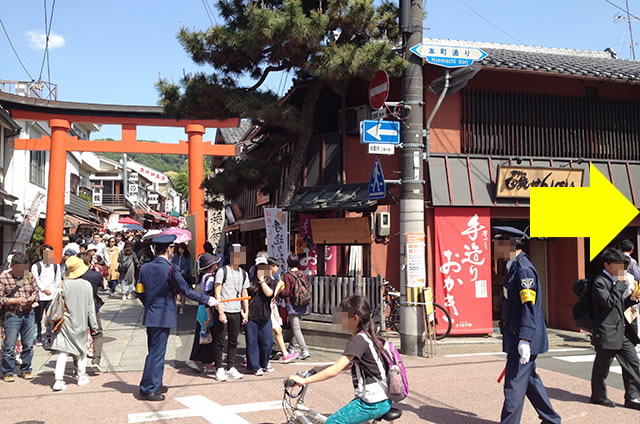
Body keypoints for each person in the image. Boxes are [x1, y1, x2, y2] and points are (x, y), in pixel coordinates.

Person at [138, 234, 218, 401]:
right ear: (169, 249)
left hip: (151, 314)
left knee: (154, 351)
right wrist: (207, 299)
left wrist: (150, 304)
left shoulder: (145, 268)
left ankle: (155, 383)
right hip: (163, 315)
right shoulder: (170, 268)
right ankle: (147, 388)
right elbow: (186, 291)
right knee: (157, 353)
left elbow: (139, 291)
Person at [289, 295, 391, 424]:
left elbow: (335, 370)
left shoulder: (358, 341)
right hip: (380, 399)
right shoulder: (368, 336)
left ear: (355, 319)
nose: (340, 320)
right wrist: (315, 370)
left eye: (343, 316)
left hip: (372, 403)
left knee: (332, 423)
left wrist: (305, 380)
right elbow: (344, 365)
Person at [494, 229, 561, 424]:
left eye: (499, 245)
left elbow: (529, 307)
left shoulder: (523, 269)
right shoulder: (513, 267)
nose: (495, 250)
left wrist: (525, 338)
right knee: (529, 380)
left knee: (513, 384)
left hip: (523, 337)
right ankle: (551, 419)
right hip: (516, 334)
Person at [590, 247, 640, 410]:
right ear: (607, 265)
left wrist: (632, 298)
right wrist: (620, 284)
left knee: (633, 363)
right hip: (606, 331)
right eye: (617, 265)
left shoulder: (615, 281)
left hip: (622, 330)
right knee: (602, 367)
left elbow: (621, 304)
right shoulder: (600, 282)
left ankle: (633, 396)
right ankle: (598, 396)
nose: (621, 269)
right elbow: (607, 303)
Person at [50, 256, 100, 391]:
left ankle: (58, 380)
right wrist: (94, 326)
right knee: (81, 351)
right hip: (81, 322)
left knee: (63, 351)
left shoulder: (63, 284)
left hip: (65, 323)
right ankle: (81, 376)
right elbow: (91, 308)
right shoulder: (87, 285)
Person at [212, 243, 250, 382]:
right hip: (224, 310)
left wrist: (246, 312)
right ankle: (219, 368)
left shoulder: (243, 273)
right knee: (220, 340)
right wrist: (220, 311)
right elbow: (217, 292)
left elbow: (244, 292)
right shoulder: (222, 271)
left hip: (236, 310)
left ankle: (231, 367)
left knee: (234, 340)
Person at [0, 252, 38, 382]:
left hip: (28, 313)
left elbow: (36, 290)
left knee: (28, 344)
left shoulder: (29, 275)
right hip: (12, 315)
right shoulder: (4, 278)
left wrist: (32, 298)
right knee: (9, 345)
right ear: (12, 266)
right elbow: (0, 299)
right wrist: (15, 301)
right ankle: (8, 371)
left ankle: (26, 369)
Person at [185, 253, 221, 374]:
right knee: (208, 337)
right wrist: (210, 314)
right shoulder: (210, 278)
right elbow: (208, 297)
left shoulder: (204, 277)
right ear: (211, 265)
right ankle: (207, 364)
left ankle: (194, 359)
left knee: (202, 334)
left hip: (201, 308)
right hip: (207, 309)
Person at [245, 256, 276, 376]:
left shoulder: (271, 281)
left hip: (265, 315)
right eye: (260, 267)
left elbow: (269, 293)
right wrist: (245, 313)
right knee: (252, 342)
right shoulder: (249, 281)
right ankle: (255, 366)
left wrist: (262, 280)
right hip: (252, 316)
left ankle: (264, 362)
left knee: (267, 342)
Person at [78, 252, 106, 373]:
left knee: (78, 335)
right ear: (89, 262)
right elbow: (101, 285)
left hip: (77, 309)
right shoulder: (95, 275)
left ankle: (77, 364)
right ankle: (96, 360)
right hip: (93, 308)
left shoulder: (72, 277)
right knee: (97, 333)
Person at [281, 253, 311, 360]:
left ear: (288, 263)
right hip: (302, 303)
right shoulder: (302, 273)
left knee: (296, 328)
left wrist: (280, 291)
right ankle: (291, 347)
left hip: (292, 303)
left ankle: (304, 349)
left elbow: (286, 292)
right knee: (295, 327)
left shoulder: (287, 275)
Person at [31, 244, 62, 347]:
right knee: (37, 318)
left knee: (50, 317)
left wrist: (55, 291)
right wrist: (43, 289)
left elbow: (58, 280)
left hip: (51, 296)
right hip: (40, 296)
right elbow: (35, 280)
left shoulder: (55, 266)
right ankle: (38, 336)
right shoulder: (36, 266)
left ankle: (49, 337)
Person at [269, 257, 298, 363]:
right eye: (277, 266)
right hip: (267, 308)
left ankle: (285, 354)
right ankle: (249, 356)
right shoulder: (266, 278)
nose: (278, 269)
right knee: (272, 331)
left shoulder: (274, 277)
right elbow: (270, 295)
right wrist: (278, 290)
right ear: (271, 267)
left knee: (278, 329)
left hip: (272, 307)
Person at [172, 243, 192, 315]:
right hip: (176, 276)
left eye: (182, 249)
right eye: (179, 248)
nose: (181, 250)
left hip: (184, 276)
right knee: (175, 292)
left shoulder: (187, 257)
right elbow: (173, 263)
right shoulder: (176, 256)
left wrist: (183, 272)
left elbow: (188, 266)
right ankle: (175, 306)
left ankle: (182, 307)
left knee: (183, 292)